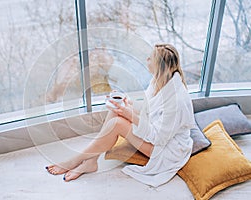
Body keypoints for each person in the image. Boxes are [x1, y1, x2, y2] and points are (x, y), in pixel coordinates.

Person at [46, 44, 195, 187]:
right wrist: (127, 103)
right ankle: (91, 161)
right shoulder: (160, 79)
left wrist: (131, 116)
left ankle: (75, 160)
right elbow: (148, 107)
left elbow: (158, 138)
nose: (147, 60)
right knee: (116, 110)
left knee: (117, 124)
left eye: (150, 59)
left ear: (160, 66)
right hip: (158, 136)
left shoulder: (176, 100)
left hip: (166, 150)